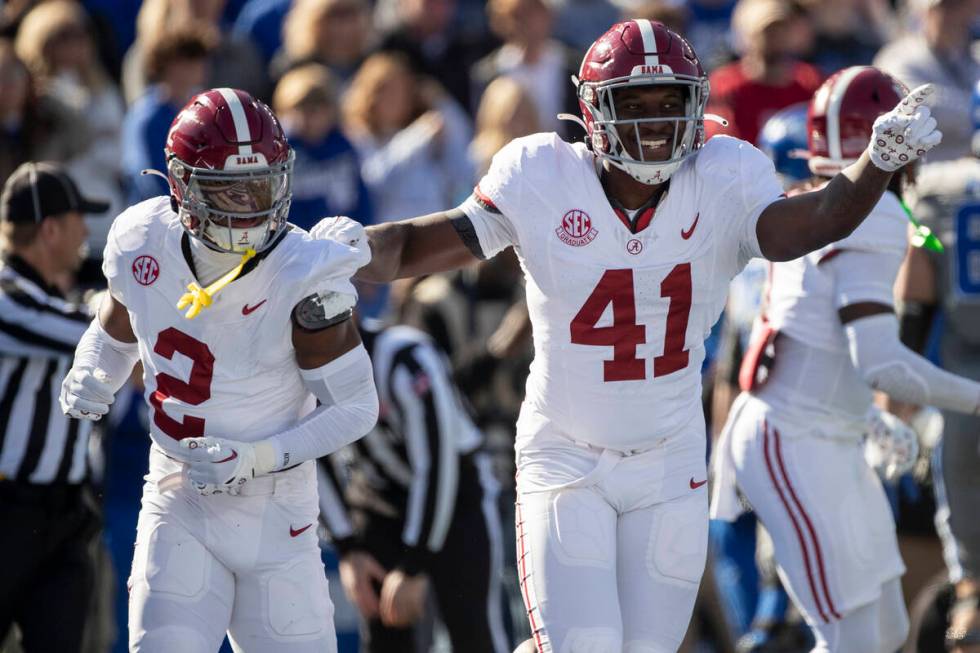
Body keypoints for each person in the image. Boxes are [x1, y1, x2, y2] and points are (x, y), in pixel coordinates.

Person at [319, 20, 944, 653]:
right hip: (567, 454)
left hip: (668, 461)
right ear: (594, 111)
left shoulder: (725, 174)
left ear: (696, 103)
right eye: (633, 103)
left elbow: (808, 225)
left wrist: (875, 164)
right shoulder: (542, 173)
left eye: (669, 101)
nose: (653, 121)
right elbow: (417, 245)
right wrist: (348, 249)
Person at [59, 88, 380, 652]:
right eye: (227, 191)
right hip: (178, 494)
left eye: (260, 185)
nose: (250, 205)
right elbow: (116, 328)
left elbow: (357, 408)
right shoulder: (141, 239)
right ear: (181, 186)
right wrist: (93, 368)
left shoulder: (304, 269)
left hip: (276, 512)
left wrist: (256, 456)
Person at [710, 66, 980, 653]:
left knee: (886, 629)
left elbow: (821, 342)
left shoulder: (820, 205)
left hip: (826, 432)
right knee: (850, 638)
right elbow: (882, 364)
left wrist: (869, 418)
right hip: (793, 439)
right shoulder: (876, 214)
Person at [318, 319, 508, 652]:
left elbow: (437, 464)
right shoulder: (299, 369)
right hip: (378, 500)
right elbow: (310, 455)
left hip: (455, 501)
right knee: (386, 635)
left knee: (474, 633)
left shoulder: (406, 357)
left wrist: (414, 564)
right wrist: (348, 548)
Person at [0, 162, 110, 652]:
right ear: (49, 229)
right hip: (6, 510)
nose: (86, 231)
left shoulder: (60, 290)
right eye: (77, 219)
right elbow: (92, 333)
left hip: (65, 513)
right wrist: (130, 304)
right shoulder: (7, 293)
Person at [891, 79, 980, 652]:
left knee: (973, 580)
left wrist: (897, 379)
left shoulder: (944, 189)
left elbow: (916, 289)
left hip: (962, 386)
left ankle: (968, 612)